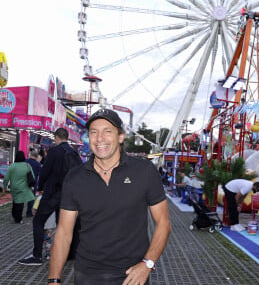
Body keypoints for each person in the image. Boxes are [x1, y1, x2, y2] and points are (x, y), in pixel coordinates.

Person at [48, 109, 171, 285]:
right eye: (94, 132)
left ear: (121, 136)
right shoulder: (74, 177)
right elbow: (64, 232)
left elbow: (164, 223)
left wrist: (147, 264)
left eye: (107, 131)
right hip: (86, 275)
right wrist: (54, 279)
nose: (100, 139)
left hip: (132, 276)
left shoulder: (144, 171)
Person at [18, 128, 78, 266]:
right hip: (68, 195)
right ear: (67, 137)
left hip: (52, 194)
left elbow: (45, 171)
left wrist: (39, 187)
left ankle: (37, 255)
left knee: (38, 222)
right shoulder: (74, 152)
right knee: (63, 225)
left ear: (56, 137)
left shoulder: (54, 151)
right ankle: (68, 254)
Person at [3, 151, 35, 224]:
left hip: (14, 188)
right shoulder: (27, 165)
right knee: (20, 203)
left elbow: (6, 178)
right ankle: (18, 218)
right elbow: (33, 176)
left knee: (15, 201)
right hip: (23, 188)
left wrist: (4, 187)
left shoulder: (12, 166)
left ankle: (15, 215)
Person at [26, 150, 42, 217]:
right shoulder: (38, 164)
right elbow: (41, 174)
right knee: (31, 198)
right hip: (33, 183)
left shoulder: (25, 161)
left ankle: (18, 213)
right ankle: (29, 213)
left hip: (24, 182)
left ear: (30, 154)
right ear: (36, 156)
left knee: (21, 198)